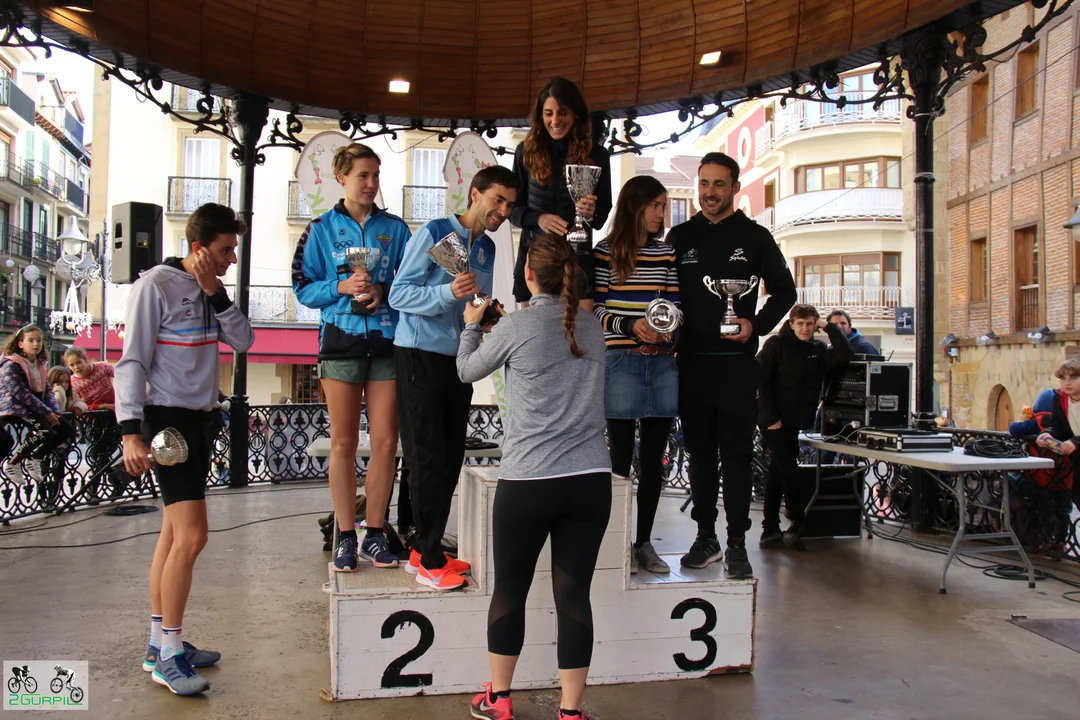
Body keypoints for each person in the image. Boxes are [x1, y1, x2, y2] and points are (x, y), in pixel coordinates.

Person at [458, 234, 609, 720]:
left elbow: (466, 370)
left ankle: (499, 699)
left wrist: (472, 325)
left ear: (528, 274)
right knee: (574, 595)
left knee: (511, 588)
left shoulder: (516, 326)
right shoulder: (593, 327)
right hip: (589, 479)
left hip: (528, 482)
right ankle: (571, 711)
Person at [115, 203, 254, 696]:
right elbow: (131, 361)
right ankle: (169, 656)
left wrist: (215, 292)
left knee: (173, 535)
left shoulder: (212, 289)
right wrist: (129, 432)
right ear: (199, 248)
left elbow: (244, 340)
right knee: (193, 538)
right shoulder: (154, 285)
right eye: (225, 249)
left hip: (200, 420)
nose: (232, 258)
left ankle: (160, 642)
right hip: (166, 424)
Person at [389, 165, 518, 591]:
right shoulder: (434, 232)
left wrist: (487, 314)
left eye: (510, 205)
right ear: (475, 194)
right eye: (497, 200)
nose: (503, 211)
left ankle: (424, 550)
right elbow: (399, 294)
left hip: (459, 359)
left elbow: (471, 302)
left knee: (447, 458)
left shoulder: (487, 249)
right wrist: (447, 292)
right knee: (426, 457)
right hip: (419, 355)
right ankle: (428, 559)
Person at [669, 151, 797, 578]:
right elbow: (662, 292)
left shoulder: (756, 237)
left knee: (737, 457)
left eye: (719, 184)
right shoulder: (680, 236)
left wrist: (755, 324)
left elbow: (785, 291)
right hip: (691, 366)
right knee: (700, 457)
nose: (710, 192)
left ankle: (737, 543)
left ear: (735, 188)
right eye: (704, 183)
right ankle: (706, 537)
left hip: (737, 368)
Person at [292, 142, 410, 573]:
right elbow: (302, 287)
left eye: (376, 175)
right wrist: (340, 287)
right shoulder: (320, 229)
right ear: (341, 177)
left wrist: (383, 291)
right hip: (340, 341)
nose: (371, 183)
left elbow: (410, 282)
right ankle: (345, 534)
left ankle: (375, 533)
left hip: (386, 342)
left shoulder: (395, 229)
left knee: (386, 443)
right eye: (363, 175)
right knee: (342, 443)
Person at [592, 175, 679, 575]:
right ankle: (615, 545)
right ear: (634, 206)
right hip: (621, 362)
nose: (661, 214)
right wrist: (631, 327)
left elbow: (675, 305)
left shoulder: (667, 253)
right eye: (655, 206)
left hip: (661, 363)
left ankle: (643, 543)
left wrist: (666, 331)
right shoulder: (604, 252)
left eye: (664, 206)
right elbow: (595, 308)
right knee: (619, 463)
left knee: (654, 460)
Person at [757, 304, 853, 550]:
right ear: (791, 324)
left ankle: (770, 530)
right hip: (773, 421)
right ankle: (797, 523)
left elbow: (844, 355)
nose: (805, 328)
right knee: (790, 472)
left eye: (810, 324)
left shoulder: (817, 349)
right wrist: (769, 416)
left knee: (778, 473)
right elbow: (760, 382)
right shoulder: (775, 345)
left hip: (795, 421)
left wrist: (828, 326)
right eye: (800, 324)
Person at [511, 77, 612, 311]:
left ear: (576, 114)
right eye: (549, 113)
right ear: (540, 116)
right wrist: (538, 218)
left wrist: (590, 212)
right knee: (534, 333)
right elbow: (512, 210)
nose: (555, 121)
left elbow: (601, 216)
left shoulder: (597, 154)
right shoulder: (524, 151)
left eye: (563, 113)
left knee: (581, 332)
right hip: (534, 259)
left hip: (577, 258)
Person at [0, 326, 77, 485]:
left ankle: (34, 458)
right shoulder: (11, 363)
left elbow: (46, 389)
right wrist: (46, 412)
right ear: (20, 343)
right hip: (16, 407)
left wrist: (54, 411)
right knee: (45, 431)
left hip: (35, 406)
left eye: (39, 340)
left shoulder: (40, 363)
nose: (36, 344)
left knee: (66, 430)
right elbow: (20, 392)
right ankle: (14, 462)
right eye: (31, 340)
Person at [65, 346, 121, 500]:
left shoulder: (103, 367)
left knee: (107, 453)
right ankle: (107, 486)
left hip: (114, 417)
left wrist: (123, 398)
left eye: (78, 362)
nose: (76, 367)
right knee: (97, 455)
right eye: (72, 365)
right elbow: (79, 406)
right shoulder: (73, 384)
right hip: (93, 421)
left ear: (85, 360)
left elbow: (123, 378)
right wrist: (102, 406)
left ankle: (98, 489)